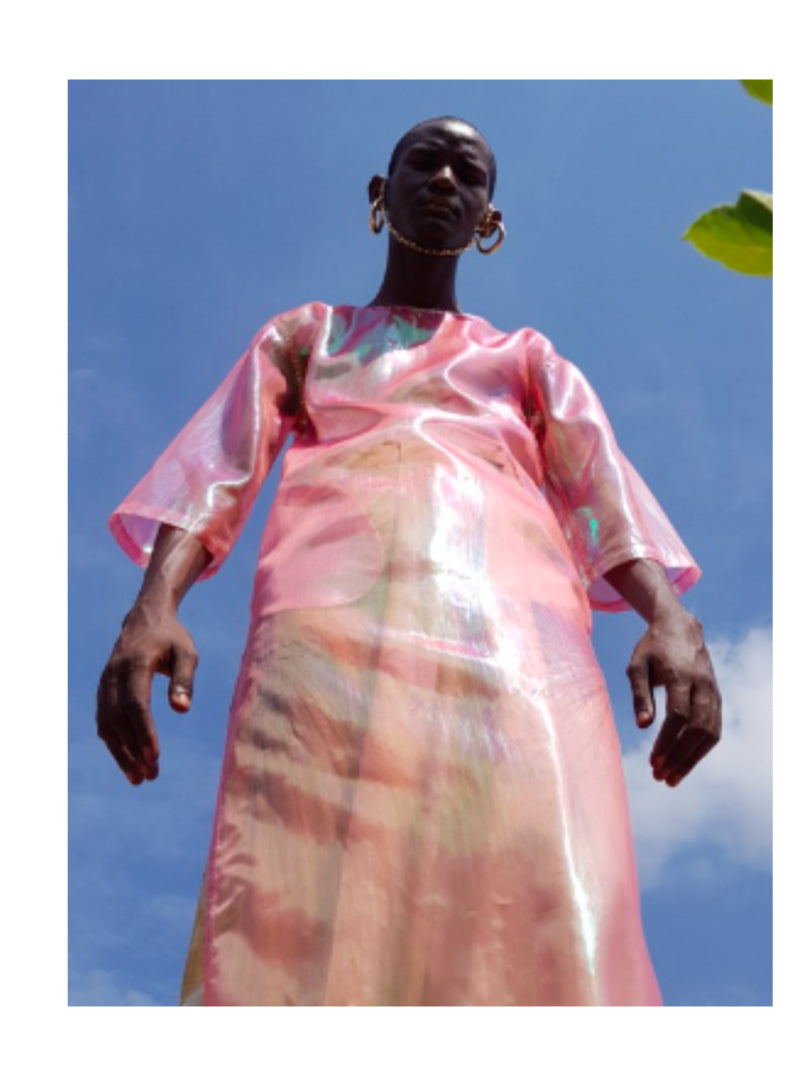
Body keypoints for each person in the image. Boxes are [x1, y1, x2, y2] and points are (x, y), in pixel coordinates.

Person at [96, 116, 721, 1006]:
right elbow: (219, 471)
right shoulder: (308, 338)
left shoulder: (524, 360)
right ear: (378, 194)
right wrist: (152, 607)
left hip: (515, 653)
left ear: (489, 221)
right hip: (325, 649)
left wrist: (670, 616)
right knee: (296, 890)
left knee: (541, 886)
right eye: (424, 161)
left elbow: (601, 488)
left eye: (468, 172)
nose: (444, 180)